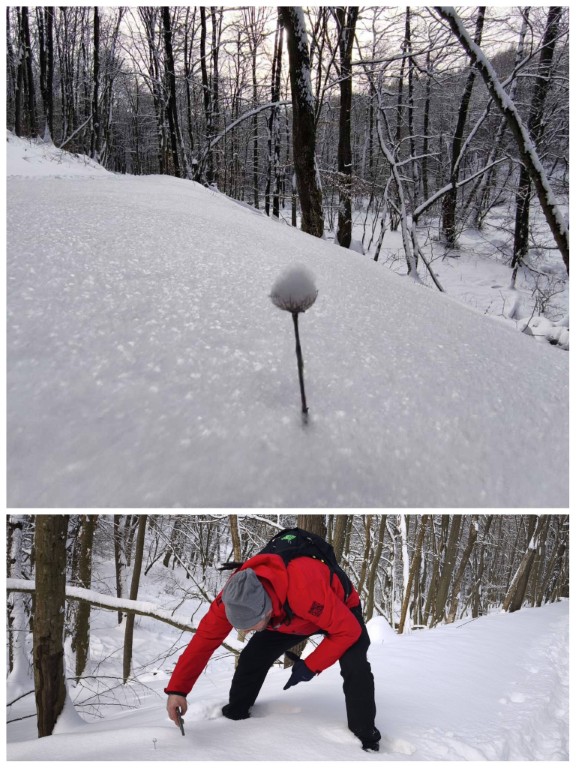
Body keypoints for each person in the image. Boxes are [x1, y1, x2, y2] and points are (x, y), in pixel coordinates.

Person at [164, 549, 381, 752]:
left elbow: (347, 631)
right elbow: (204, 640)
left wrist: (309, 666)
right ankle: (236, 715)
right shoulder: (232, 597)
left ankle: (365, 738)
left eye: (251, 626)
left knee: (356, 666)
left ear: (266, 611)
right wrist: (178, 690)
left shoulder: (304, 589)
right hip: (288, 618)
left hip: (337, 609)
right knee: (252, 657)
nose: (247, 631)